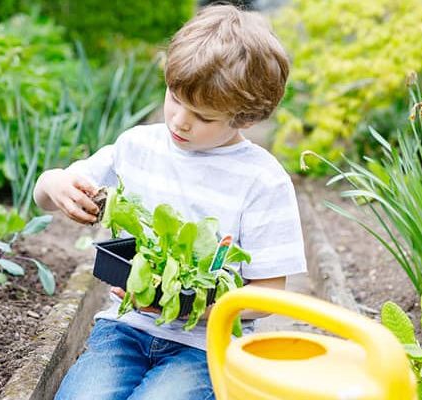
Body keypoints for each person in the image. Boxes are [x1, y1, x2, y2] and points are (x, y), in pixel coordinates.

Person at [34, 5, 306, 399]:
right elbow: (45, 197)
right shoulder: (136, 146)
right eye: (174, 98)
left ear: (245, 118)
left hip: (204, 344)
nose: (179, 120)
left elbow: (269, 294)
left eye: (203, 116)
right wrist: (53, 182)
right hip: (125, 327)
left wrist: (182, 307)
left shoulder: (263, 180)